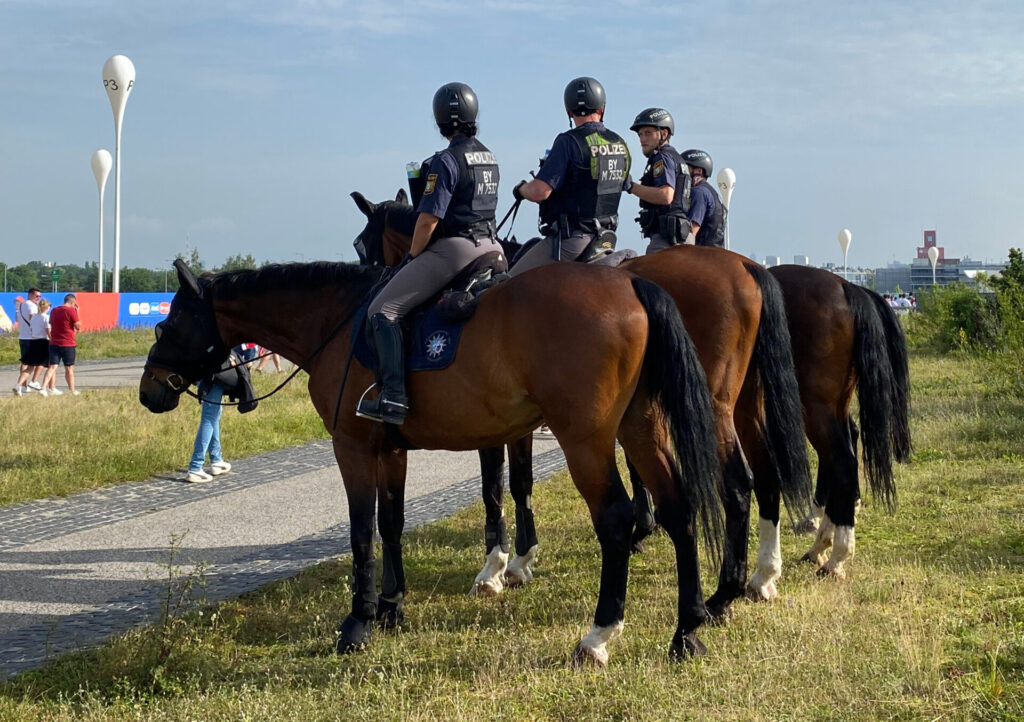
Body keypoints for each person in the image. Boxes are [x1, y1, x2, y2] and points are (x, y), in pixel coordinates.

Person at [356, 81, 502, 425]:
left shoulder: (445, 161)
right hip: (493, 247)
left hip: (456, 249)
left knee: (383, 310)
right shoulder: (489, 157)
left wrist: (412, 256)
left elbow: (427, 222)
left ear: (440, 120)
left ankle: (393, 398)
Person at [508, 76, 631, 276]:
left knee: (506, 284)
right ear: (602, 108)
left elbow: (540, 191)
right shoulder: (620, 144)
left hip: (572, 241)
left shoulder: (568, 141)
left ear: (569, 111)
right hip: (607, 239)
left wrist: (521, 189)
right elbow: (625, 184)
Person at [624, 107, 692, 254]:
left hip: (667, 240)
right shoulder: (677, 158)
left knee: (642, 274)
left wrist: (630, 186)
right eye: (640, 134)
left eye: (648, 133)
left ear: (664, 133)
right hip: (682, 236)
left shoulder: (662, 157)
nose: (642, 139)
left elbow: (665, 195)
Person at [186, 355, 237, 483]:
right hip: (213, 373)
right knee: (209, 418)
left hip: (210, 373)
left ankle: (216, 459)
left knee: (214, 416)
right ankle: (195, 467)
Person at [680, 149, 726, 248]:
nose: (681, 174)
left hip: (703, 255)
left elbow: (691, 232)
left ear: (699, 171)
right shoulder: (710, 191)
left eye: (686, 169)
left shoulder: (698, 193)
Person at [43, 293, 82, 396]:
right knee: (69, 368)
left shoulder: (54, 310)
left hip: (54, 341)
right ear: (72, 302)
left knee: (52, 367)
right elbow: (78, 326)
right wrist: (77, 312)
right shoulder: (71, 310)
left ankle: (43, 388)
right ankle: (72, 390)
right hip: (67, 342)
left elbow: (51, 323)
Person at [12, 288, 45, 396]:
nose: (38, 298)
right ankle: (33, 382)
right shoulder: (31, 305)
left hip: (23, 336)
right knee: (41, 361)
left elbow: (17, 319)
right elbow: (33, 319)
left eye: (39, 296)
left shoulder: (22, 305)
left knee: (25, 362)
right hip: (32, 338)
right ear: (30, 295)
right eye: (37, 296)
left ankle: (23, 385)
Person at [30, 299, 53, 397]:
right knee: (42, 363)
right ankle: (34, 380)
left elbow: (31, 328)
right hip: (43, 340)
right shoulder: (46, 317)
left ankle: (35, 381)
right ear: (47, 308)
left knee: (35, 362)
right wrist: (52, 339)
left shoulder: (34, 317)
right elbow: (48, 330)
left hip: (33, 339)